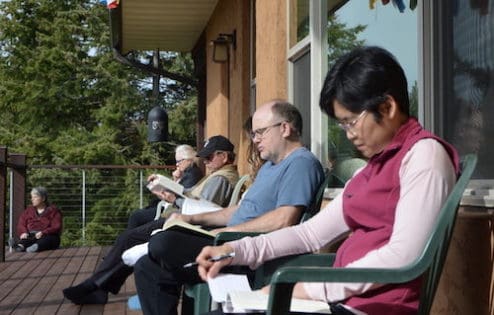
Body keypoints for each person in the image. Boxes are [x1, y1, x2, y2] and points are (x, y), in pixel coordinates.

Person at [196, 46, 460, 315]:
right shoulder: (374, 167)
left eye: (351, 122)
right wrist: (236, 250)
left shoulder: (424, 156)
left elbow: (403, 256)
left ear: (387, 107)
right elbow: (309, 233)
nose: (348, 135)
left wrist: (305, 289)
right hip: (336, 302)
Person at [133, 100, 325, 315]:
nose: (255, 140)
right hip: (226, 241)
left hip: (243, 252)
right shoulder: (270, 166)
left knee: (163, 242)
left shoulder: (301, 163)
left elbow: (283, 220)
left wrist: (223, 234)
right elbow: (238, 211)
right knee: (146, 268)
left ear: (285, 128)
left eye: (260, 132)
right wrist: (192, 220)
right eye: (253, 134)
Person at [62, 136, 239, 305]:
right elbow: (195, 197)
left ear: (223, 157)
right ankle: (97, 286)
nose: (205, 162)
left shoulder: (221, 179)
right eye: (204, 157)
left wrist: (174, 199)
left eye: (208, 157)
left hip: (187, 225)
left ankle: (95, 286)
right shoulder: (217, 175)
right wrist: (171, 188)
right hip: (182, 220)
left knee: (129, 238)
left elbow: (206, 209)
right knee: (129, 237)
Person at [127, 144, 203, 229]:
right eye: (176, 161)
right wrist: (175, 179)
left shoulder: (193, 174)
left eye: (179, 161)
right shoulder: (188, 173)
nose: (177, 164)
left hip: (173, 209)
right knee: (139, 214)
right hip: (169, 207)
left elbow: (181, 194)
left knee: (135, 217)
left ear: (189, 159)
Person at [11, 187, 62, 253]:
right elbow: (21, 223)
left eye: (35, 197)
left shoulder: (53, 211)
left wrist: (43, 232)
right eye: (31, 197)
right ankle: (20, 246)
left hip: (48, 235)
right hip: (32, 235)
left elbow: (56, 227)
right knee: (26, 239)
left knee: (46, 240)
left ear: (43, 198)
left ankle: (36, 247)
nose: (32, 199)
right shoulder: (28, 211)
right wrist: (24, 232)